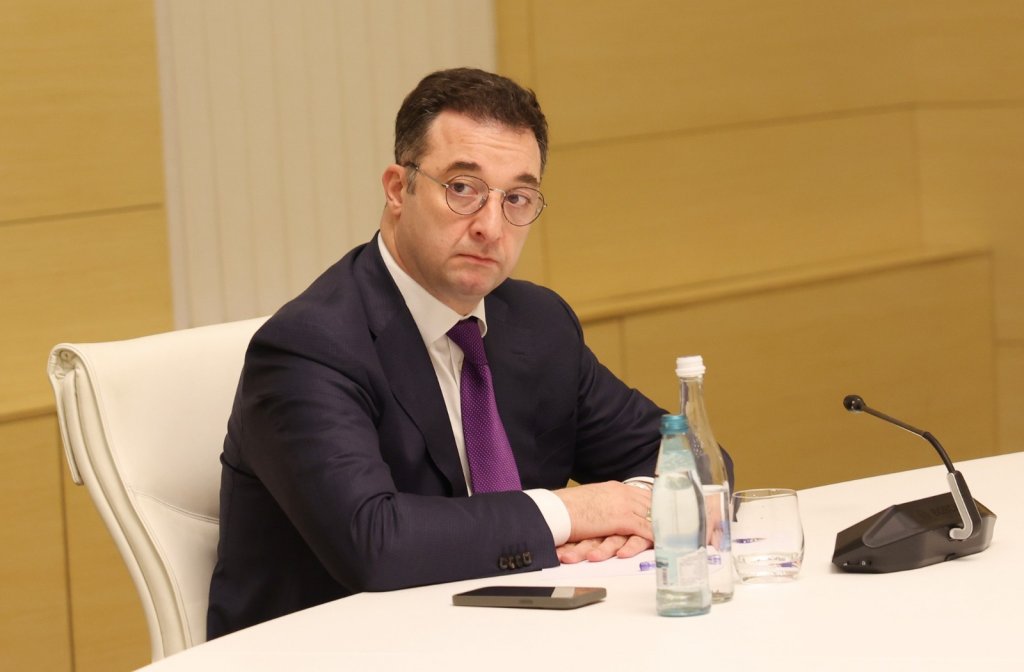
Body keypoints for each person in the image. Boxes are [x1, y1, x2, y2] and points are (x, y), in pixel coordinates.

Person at [207, 68, 716, 639]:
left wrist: (643, 508)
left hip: (504, 635)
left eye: (516, 198)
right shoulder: (310, 347)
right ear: (398, 189)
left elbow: (692, 463)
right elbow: (375, 543)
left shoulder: (538, 322)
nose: (491, 227)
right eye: (463, 189)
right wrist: (574, 512)